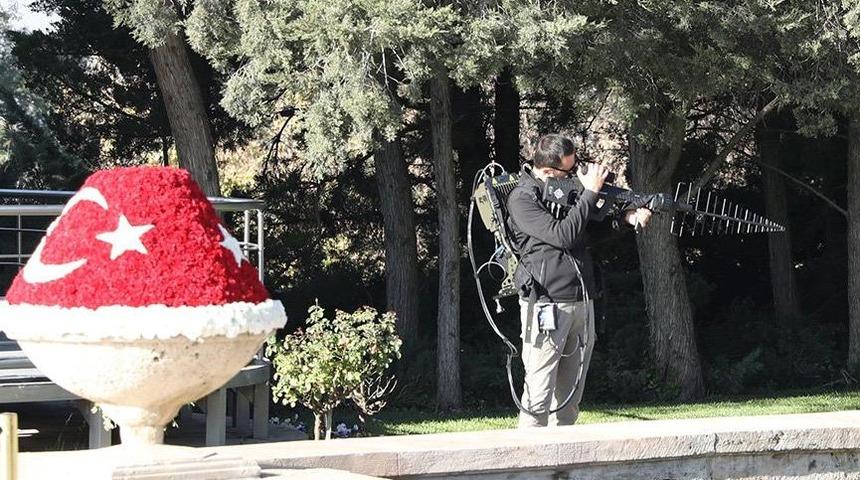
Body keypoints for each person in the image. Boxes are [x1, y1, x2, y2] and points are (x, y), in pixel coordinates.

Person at [506, 134, 652, 428]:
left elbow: (584, 234)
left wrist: (624, 220)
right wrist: (591, 192)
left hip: (581, 301)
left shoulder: (561, 194)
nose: (575, 175)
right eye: (569, 171)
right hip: (547, 304)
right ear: (548, 171)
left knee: (571, 400)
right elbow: (563, 235)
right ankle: (530, 467)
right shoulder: (522, 199)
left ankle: (564, 470)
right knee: (538, 394)